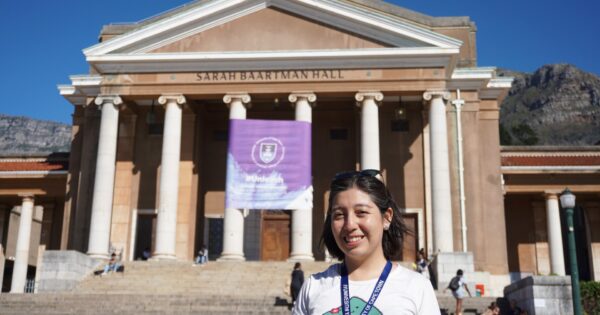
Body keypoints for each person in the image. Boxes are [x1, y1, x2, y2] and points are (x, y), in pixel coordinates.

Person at [292, 169, 440, 314]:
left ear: (387, 218)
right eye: (339, 214)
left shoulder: (417, 288)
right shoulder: (313, 287)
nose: (349, 225)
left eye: (361, 212)